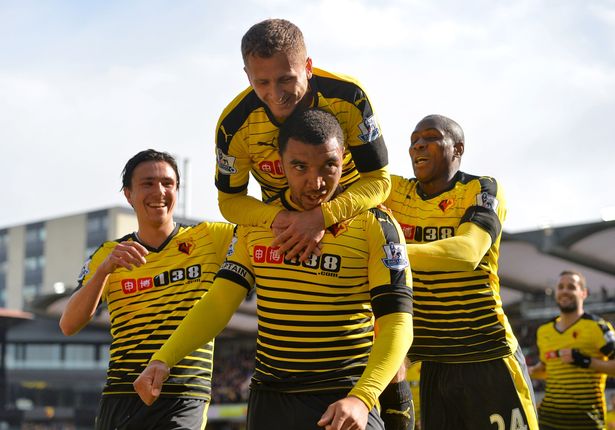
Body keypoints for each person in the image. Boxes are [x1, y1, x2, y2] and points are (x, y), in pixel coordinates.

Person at [135, 109, 413, 430]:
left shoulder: (375, 225)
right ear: (280, 164)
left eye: (329, 166)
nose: (316, 181)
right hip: (271, 401)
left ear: (344, 159)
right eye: (300, 167)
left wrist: (362, 398)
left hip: (344, 396)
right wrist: (163, 358)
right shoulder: (257, 224)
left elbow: (398, 326)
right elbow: (220, 301)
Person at [59, 149, 235, 430]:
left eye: (168, 183)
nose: (159, 191)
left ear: (177, 189)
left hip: (183, 393)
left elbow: (262, 235)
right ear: (128, 194)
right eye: (148, 183)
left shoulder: (211, 238)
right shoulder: (108, 253)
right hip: (122, 394)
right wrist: (104, 270)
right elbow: (68, 324)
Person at [383, 114, 538, 429]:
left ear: (458, 148)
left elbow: (467, 253)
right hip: (435, 363)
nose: (418, 146)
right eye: (413, 141)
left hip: (487, 354)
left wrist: (387, 256)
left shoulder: (481, 188)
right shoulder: (396, 193)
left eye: (430, 137)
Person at [215, 18, 390, 262]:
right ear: (247, 76)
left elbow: (379, 180)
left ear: (308, 66)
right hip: (283, 230)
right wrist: (282, 220)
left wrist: (321, 217)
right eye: (262, 82)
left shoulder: (350, 97)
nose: (276, 95)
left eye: (286, 79)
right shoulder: (233, 126)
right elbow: (230, 201)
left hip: (350, 216)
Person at [529, 270, 615, 429]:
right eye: (560, 287)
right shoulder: (544, 331)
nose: (564, 291)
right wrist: (530, 371)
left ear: (584, 293)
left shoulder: (598, 327)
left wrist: (586, 361)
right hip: (548, 423)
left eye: (571, 287)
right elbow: (548, 369)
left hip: (587, 423)